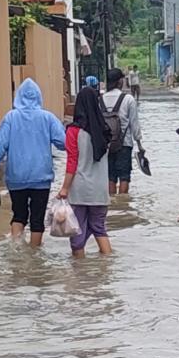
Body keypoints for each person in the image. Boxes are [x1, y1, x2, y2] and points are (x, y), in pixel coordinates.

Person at [0, 78, 66, 247]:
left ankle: (17, 250)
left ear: (18, 97)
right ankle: (35, 255)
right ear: (39, 97)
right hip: (41, 178)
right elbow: (63, 143)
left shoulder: (10, 118)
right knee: (37, 217)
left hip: (16, 178)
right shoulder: (47, 118)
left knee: (18, 214)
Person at [58, 87, 113, 258]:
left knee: (76, 234)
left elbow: (72, 162)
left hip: (80, 190)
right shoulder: (105, 132)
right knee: (99, 228)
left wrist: (64, 188)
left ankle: (81, 273)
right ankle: (107, 267)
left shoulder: (73, 132)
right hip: (100, 190)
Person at [102, 68, 144, 195]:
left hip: (106, 145)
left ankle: (113, 205)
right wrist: (140, 146)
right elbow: (134, 125)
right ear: (120, 81)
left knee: (110, 176)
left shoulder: (100, 99)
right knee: (124, 176)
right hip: (124, 144)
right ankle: (123, 205)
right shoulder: (128, 99)